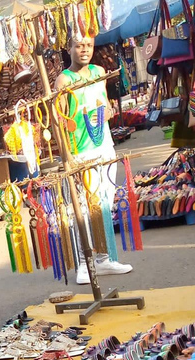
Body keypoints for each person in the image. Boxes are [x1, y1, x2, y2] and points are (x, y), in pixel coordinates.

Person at [55, 36, 133, 285]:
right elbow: (58, 119)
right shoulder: (64, 79)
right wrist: (67, 156)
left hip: (104, 147)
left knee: (105, 205)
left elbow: (103, 102)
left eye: (88, 45)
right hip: (80, 151)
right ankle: (83, 262)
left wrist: (108, 111)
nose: (85, 50)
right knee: (83, 209)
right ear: (70, 50)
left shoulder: (99, 72)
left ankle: (104, 258)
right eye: (79, 46)